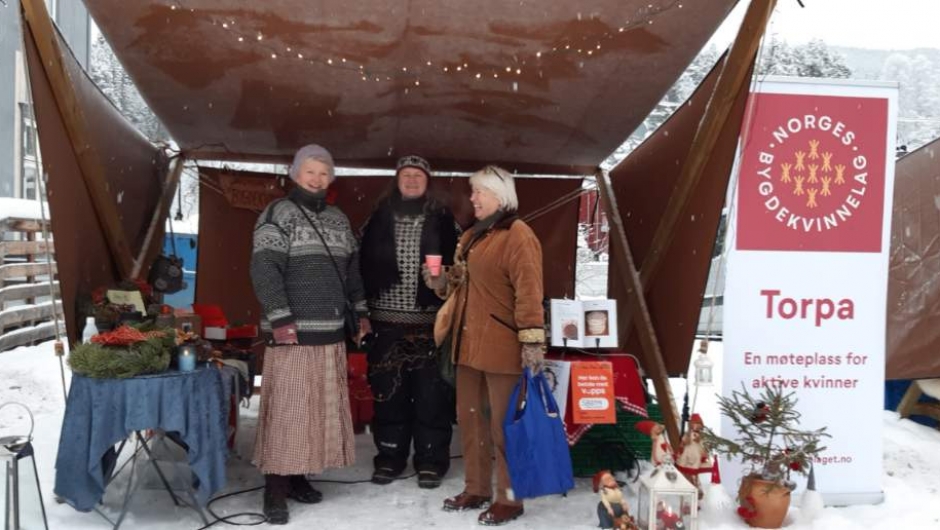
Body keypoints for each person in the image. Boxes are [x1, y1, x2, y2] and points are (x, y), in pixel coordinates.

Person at [250, 144, 370, 525]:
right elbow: (264, 269)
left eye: (324, 173)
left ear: (331, 178)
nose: (317, 179)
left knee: (315, 410)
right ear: (295, 174)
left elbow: (351, 272)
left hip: (330, 333)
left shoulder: (338, 219)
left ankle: (300, 476)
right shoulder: (276, 214)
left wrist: (361, 311)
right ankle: (275, 490)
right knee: (288, 413)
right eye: (310, 171)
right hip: (292, 335)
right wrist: (281, 318)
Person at [427, 165, 546, 526]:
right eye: (472, 191)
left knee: (504, 428)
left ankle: (510, 499)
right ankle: (476, 488)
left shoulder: (517, 234)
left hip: (502, 346)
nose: (473, 198)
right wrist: (439, 279)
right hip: (467, 346)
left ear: (500, 195)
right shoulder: (473, 236)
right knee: (471, 421)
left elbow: (529, 291)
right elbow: (459, 287)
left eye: (479, 191)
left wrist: (532, 341)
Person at [359, 155, 460, 489]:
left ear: (427, 181)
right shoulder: (376, 219)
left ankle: (431, 460)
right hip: (385, 325)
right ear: (397, 180)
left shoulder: (446, 221)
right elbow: (357, 268)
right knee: (390, 396)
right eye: (407, 175)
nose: (413, 180)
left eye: (419, 175)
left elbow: (463, 271)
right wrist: (360, 313)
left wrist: (442, 279)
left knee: (432, 399)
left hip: (431, 327)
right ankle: (390, 458)